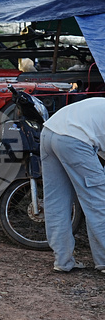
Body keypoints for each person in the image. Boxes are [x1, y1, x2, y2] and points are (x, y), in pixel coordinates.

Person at [40, 98, 105, 273]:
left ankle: (62, 260)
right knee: (98, 201)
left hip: (48, 132)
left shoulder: (100, 104)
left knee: (56, 200)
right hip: (75, 139)